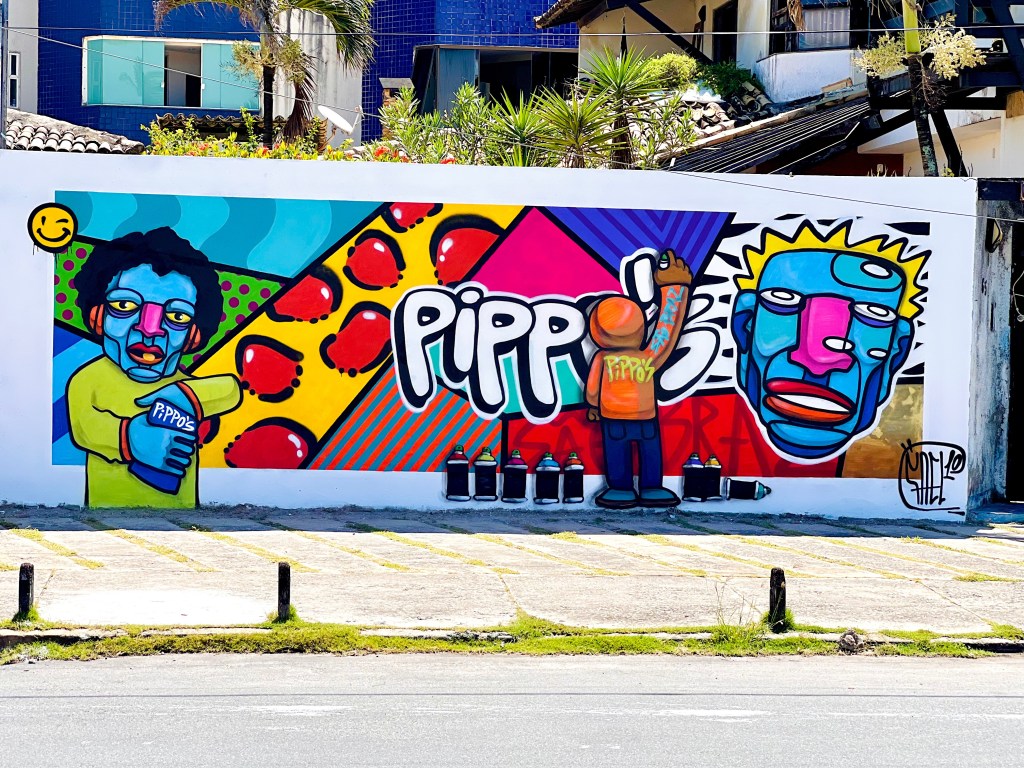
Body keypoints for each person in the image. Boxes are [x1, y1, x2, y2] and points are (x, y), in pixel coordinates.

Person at [66, 227, 241, 508]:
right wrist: (131, 438)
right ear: (98, 316)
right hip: (107, 512)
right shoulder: (89, 380)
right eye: (124, 305)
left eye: (177, 316)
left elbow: (231, 390)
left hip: (183, 515)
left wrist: (185, 396)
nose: (150, 330)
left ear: (194, 335)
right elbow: (85, 430)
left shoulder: (185, 385)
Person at [586, 250, 692, 509]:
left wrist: (593, 406)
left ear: (596, 332)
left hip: (612, 416)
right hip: (645, 416)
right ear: (641, 329)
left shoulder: (602, 358)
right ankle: (652, 487)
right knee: (650, 451)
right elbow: (666, 334)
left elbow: (592, 389)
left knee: (616, 453)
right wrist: (675, 288)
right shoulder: (647, 357)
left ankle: (620, 488)